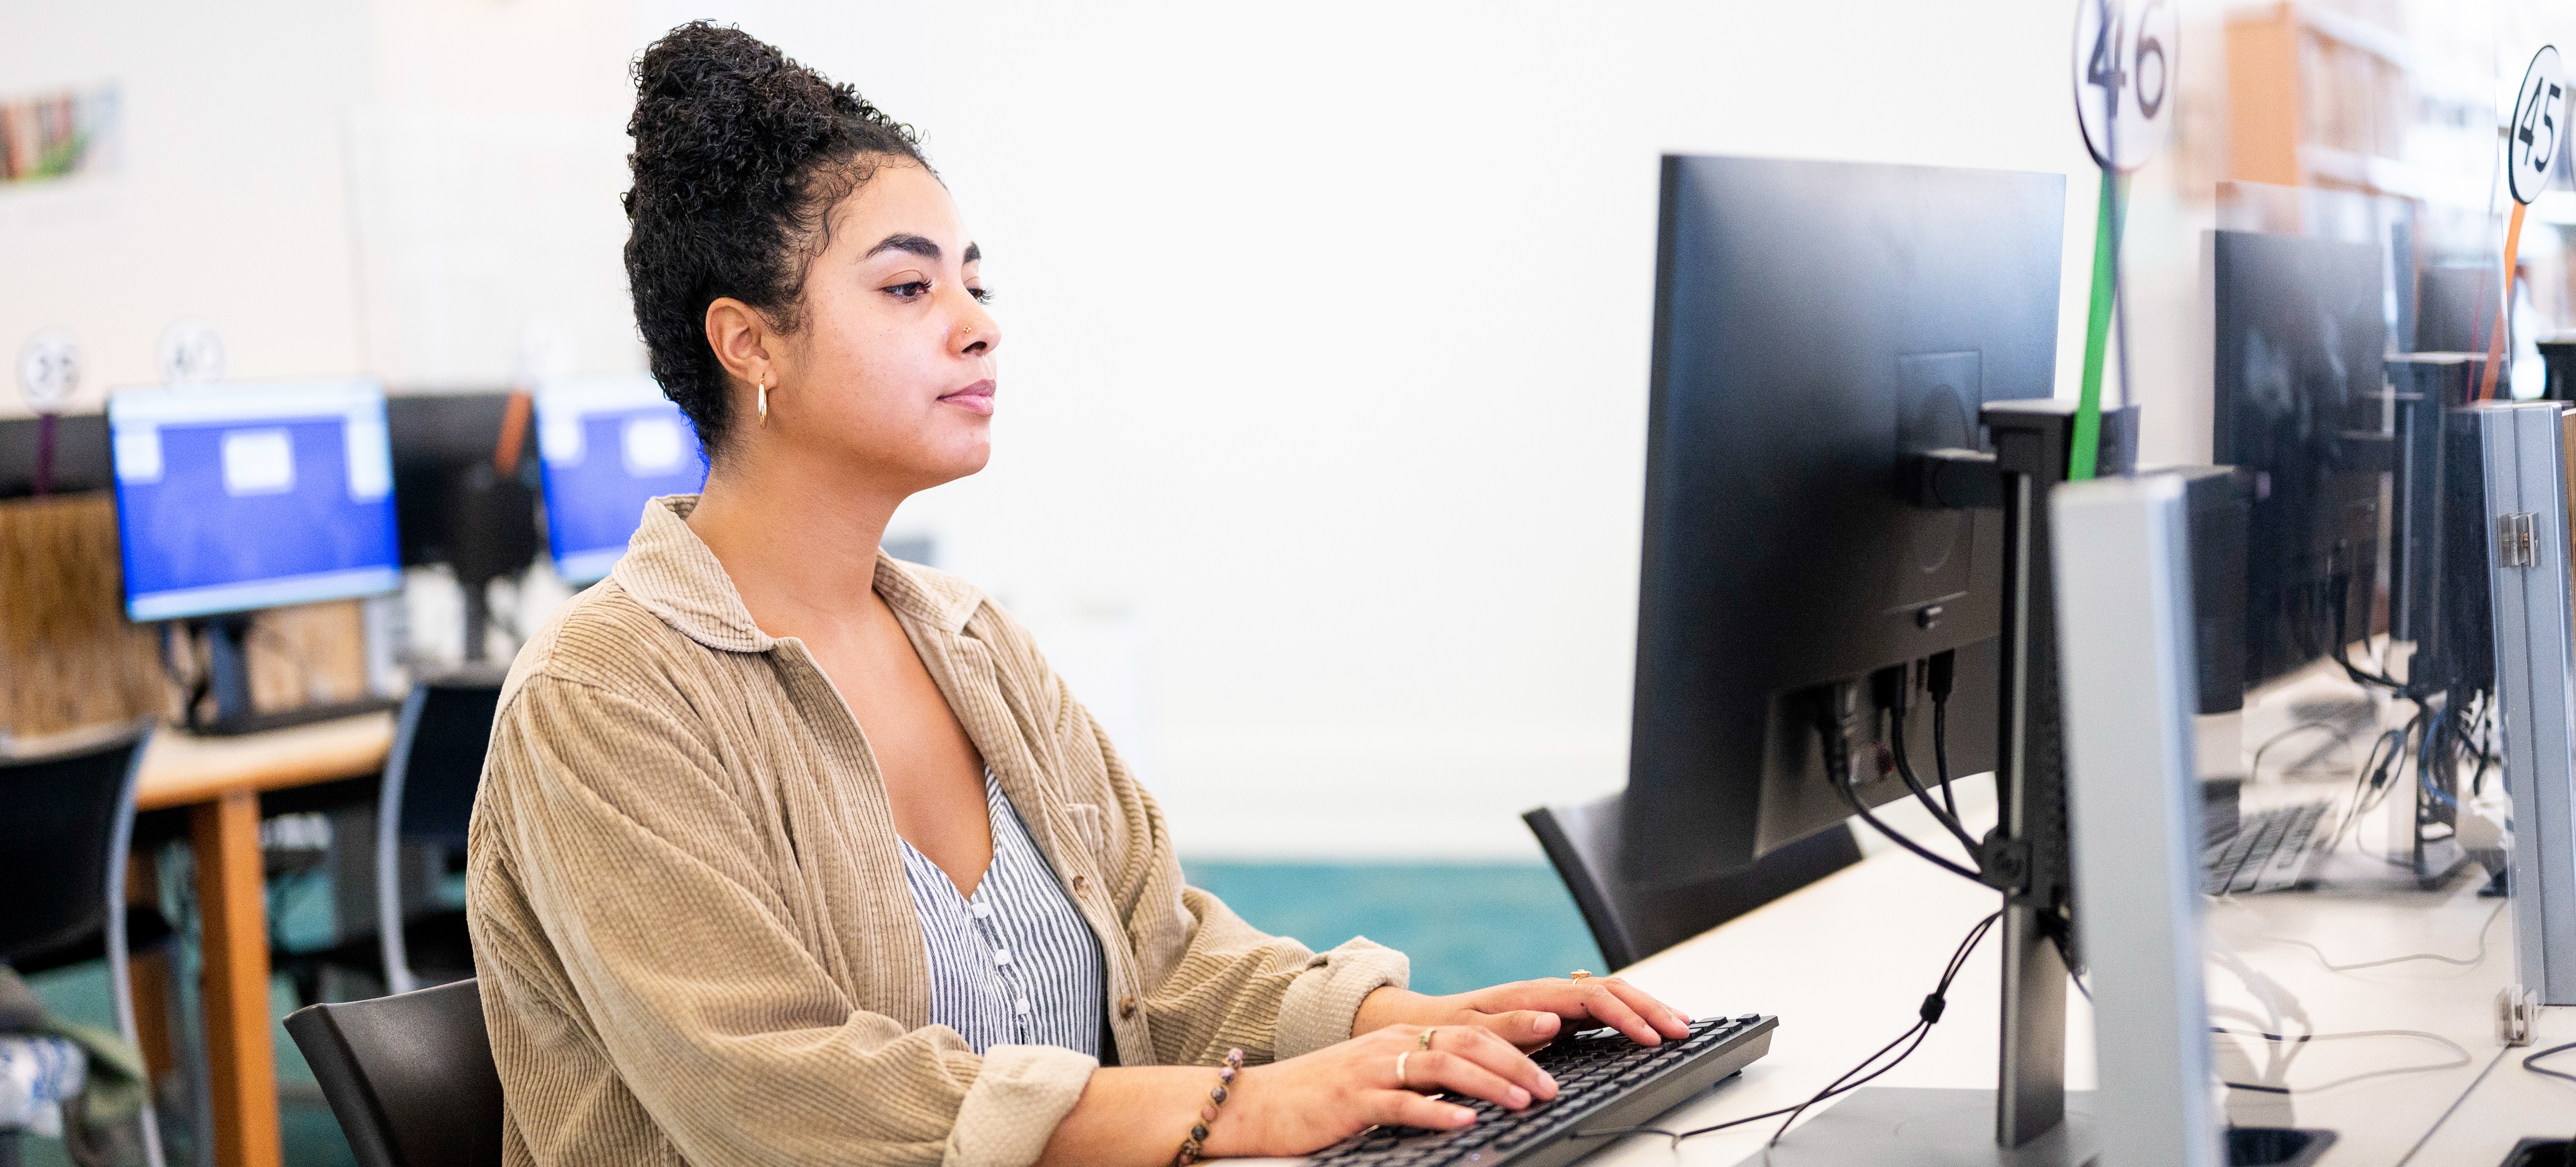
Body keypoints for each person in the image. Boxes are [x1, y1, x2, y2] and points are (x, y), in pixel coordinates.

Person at [466, 22, 1692, 1167]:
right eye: (909, 290)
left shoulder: (971, 643)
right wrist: (1253, 1106)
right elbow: (777, 1093)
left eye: (975, 286)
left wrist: (1419, 1025)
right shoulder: (604, 697)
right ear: (750, 343)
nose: (977, 328)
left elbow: (1166, 965)